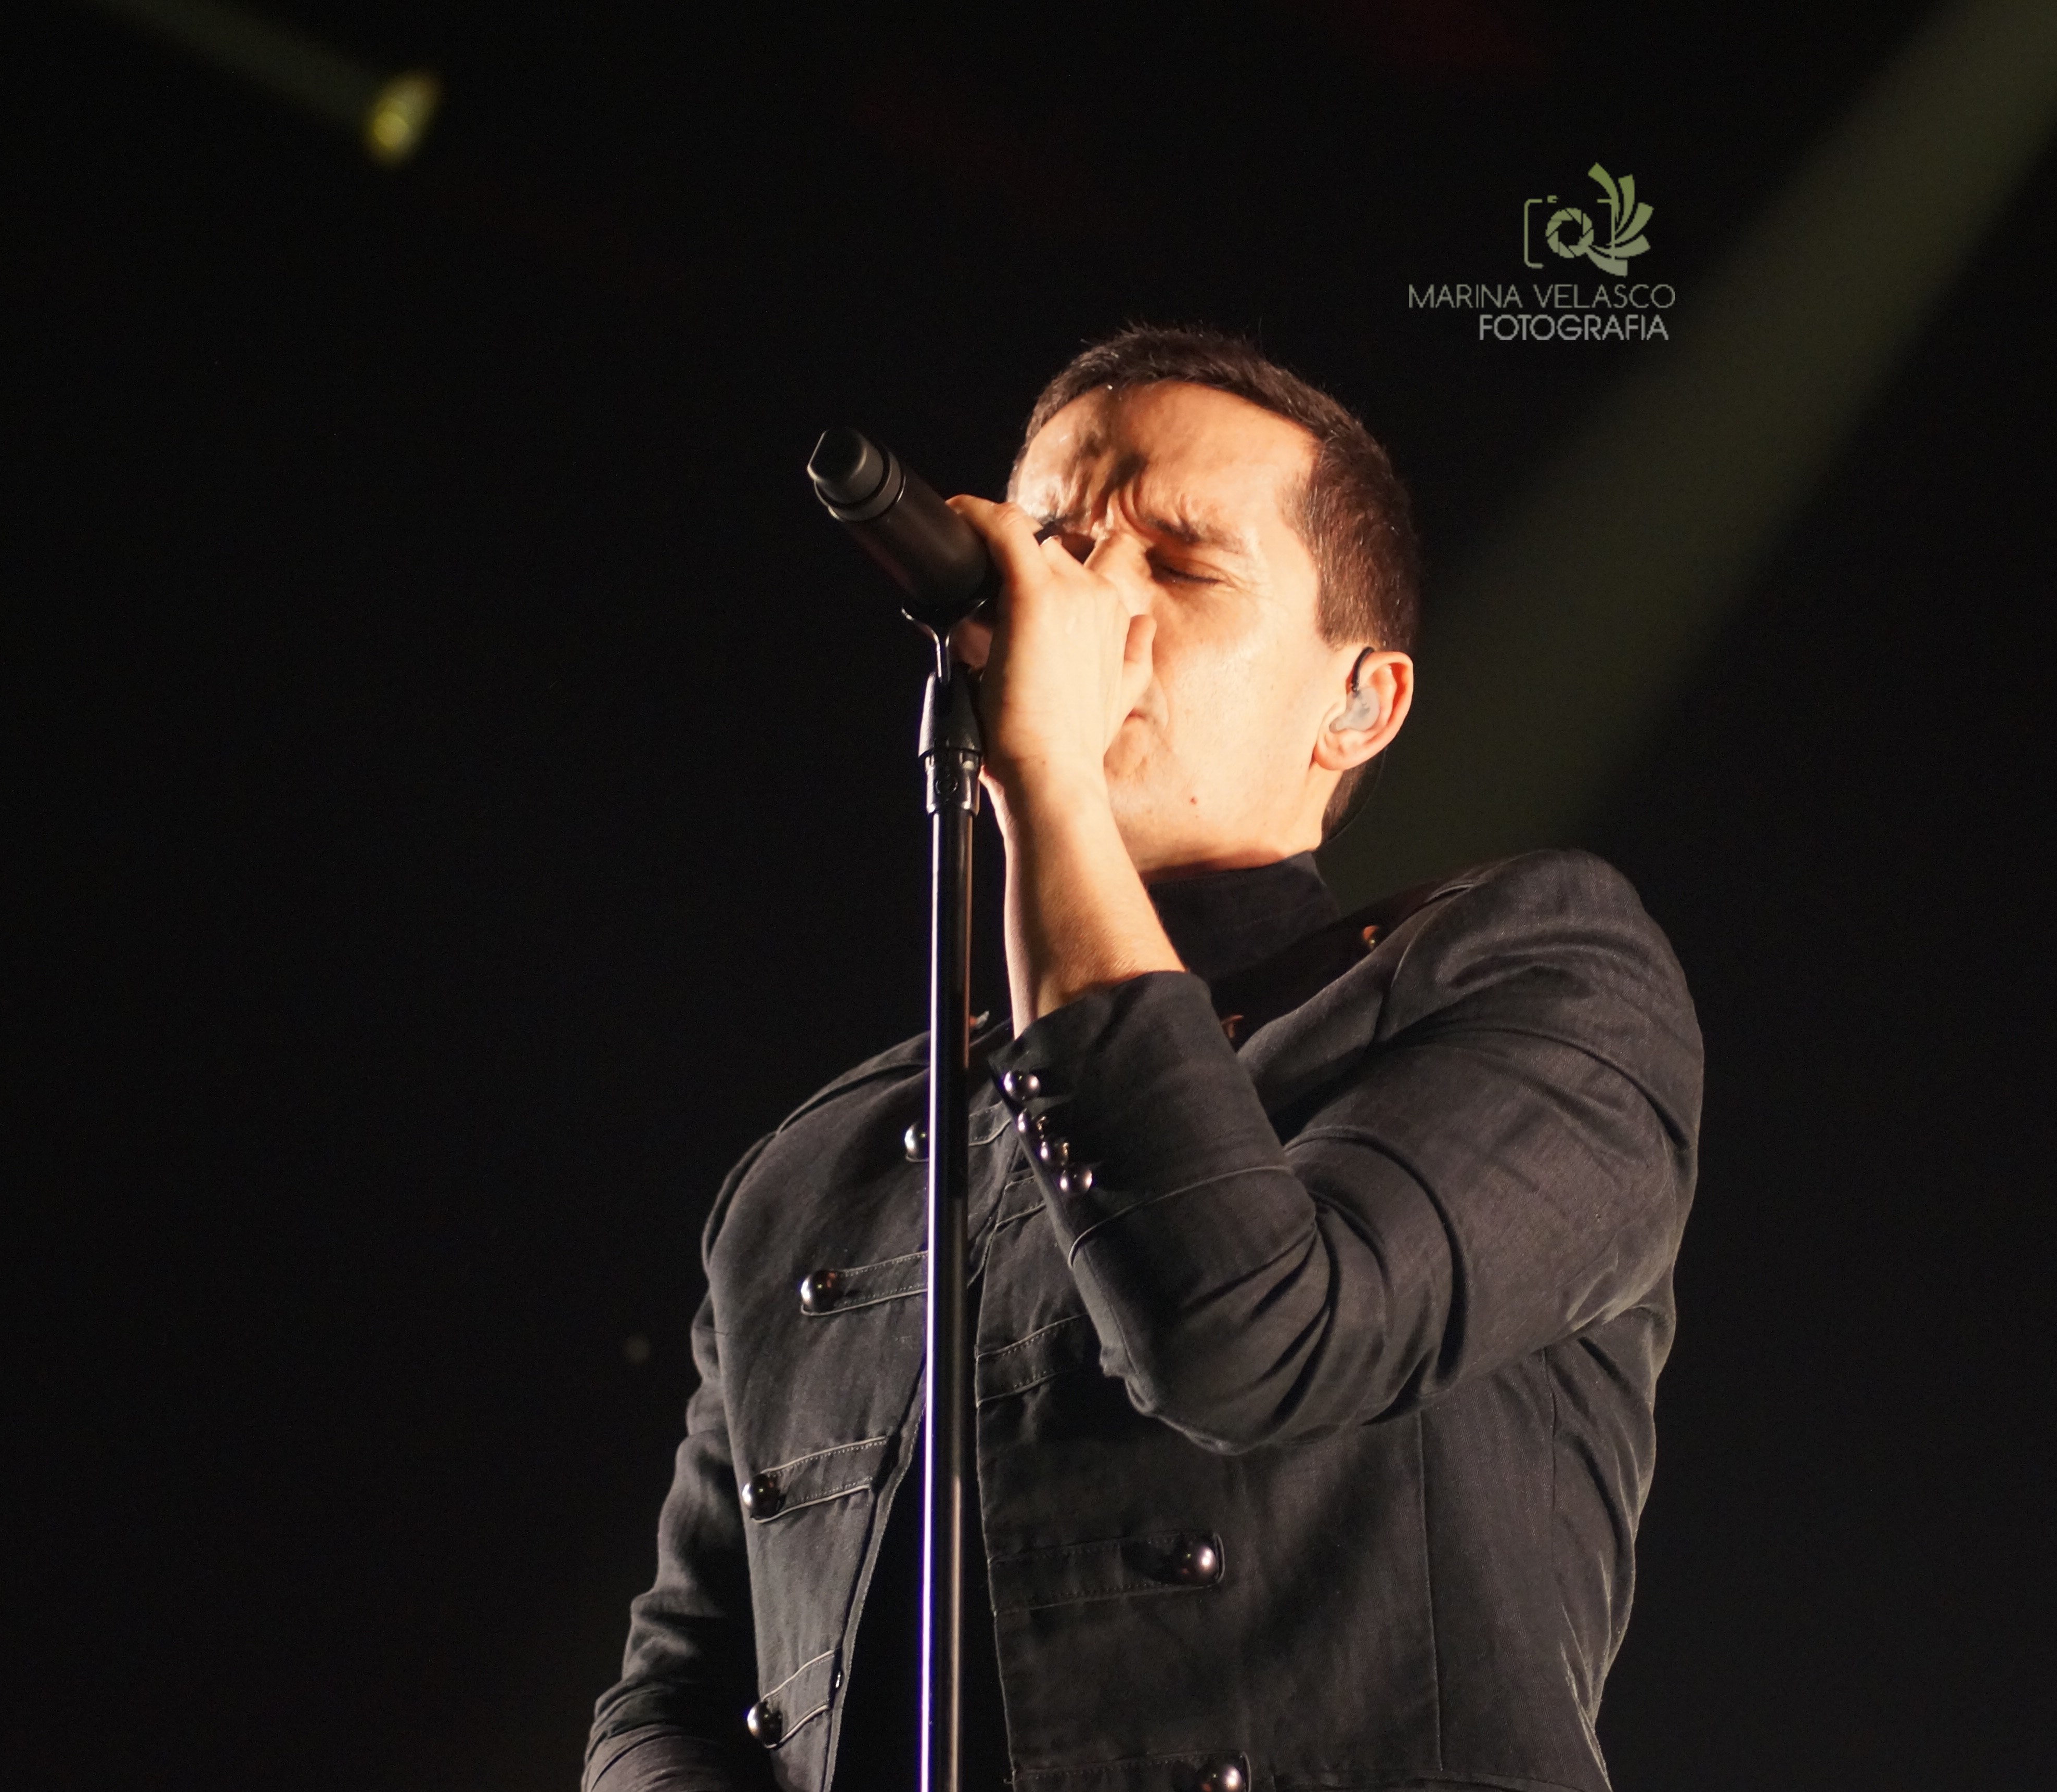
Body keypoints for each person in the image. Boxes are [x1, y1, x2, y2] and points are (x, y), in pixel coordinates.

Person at [585, 326, 1704, 1792]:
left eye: (1181, 567)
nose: (1089, 602)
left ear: (1359, 704)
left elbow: (1249, 1339)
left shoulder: (1527, 975)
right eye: (1052, 548)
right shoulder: (817, 1169)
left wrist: (1049, 772)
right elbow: (672, 1694)